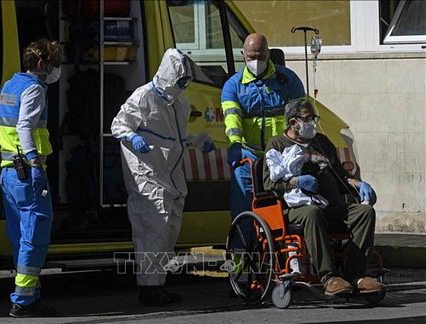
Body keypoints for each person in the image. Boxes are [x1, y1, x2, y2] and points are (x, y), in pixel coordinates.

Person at [111, 48, 214, 306]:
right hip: (146, 173)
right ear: (169, 76)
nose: (183, 86)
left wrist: (197, 142)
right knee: (152, 229)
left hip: (170, 175)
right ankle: (148, 287)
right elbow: (118, 125)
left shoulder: (180, 103)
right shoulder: (143, 97)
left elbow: (175, 138)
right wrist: (133, 136)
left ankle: (158, 282)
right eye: (180, 81)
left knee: (169, 229)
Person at [263, 98, 385, 295]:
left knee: (364, 212)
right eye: (308, 118)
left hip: (330, 204)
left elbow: (339, 177)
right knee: (312, 213)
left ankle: (356, 275)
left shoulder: (323, 143)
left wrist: (357, 183)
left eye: (314, 118)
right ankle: (330, 277)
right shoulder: (277, 144)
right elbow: (269, 183)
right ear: (293, 122)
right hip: (297, 208)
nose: (313, 122)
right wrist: (297, 181)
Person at [0, 38, 60, 317]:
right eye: (54, 63)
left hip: (9, 170)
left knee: (19, 235)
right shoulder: (35, 88)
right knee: (35, 235)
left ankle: (29, 292)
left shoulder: (10, 85)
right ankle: (23, 300)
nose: (56, 69)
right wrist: (35, 161)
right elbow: (24, 125)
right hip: (26, 171)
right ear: (41, 63)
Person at [221, 32, 305, 226]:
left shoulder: (288, 80)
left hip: (284, 155)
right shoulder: (233, 86)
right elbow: (232, 120)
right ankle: (242, 251)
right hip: (249, 155)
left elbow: (302, 115)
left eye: (261, 56)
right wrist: (234, 145)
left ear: (269, 54)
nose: (256, 61)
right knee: (243, 204)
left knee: (289, 203)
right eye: (252, 57)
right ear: (243, 54)